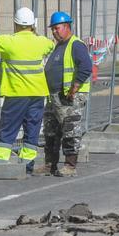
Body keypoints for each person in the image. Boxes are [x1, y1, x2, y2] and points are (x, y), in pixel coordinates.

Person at [0, 8, 55, 172]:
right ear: (33, 25)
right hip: (37, 94)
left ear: (15, 24)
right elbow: (50, 46)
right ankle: (27, 166)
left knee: (8, 130)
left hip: (16, 94)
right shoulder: (42, 42)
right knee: (32, 130)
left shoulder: (8, 41)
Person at [34, 12, 92, 177]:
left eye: (56, 28)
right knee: (51, 132)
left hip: (69, 97)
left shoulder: (76, 45)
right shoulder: (58, 46)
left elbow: (86, 66)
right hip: (54, 97)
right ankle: (49, 164)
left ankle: (70, 165)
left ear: (67, 26)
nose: (54, 32)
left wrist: (75, 88)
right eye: (52, 29)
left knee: (70, 130)